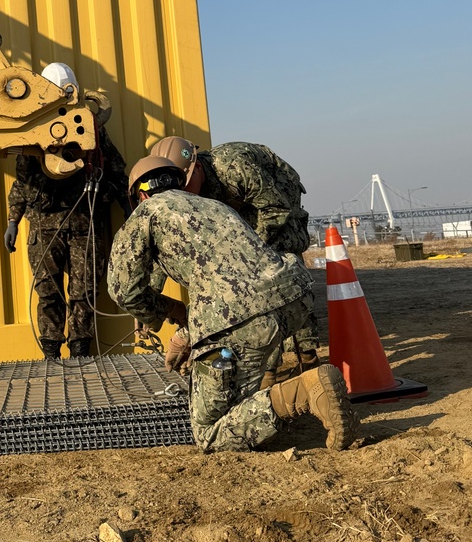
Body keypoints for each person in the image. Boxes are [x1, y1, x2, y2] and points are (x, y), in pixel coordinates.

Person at [107, 157, 360, 452]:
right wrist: (190, 334)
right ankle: (275, 392)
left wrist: (170, 311)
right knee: (232, 368)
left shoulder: (146, 213)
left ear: (140, 195)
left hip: (241, 322)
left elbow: (124, 291)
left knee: (210, 433)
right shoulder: (216, 207)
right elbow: (238, 282)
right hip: (293, 295)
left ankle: (305, 391)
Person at [150, 136, 318, 384]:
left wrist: (251, 256)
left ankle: (307, 355)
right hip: (242, 210)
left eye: (184, 186)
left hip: (278, 201)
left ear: (196, 168)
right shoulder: (186, 195)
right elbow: (169, 245)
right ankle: (269, 365)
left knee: (279, 276)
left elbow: (275, 209)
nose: (181, 195)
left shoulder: (233, 167)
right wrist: (149, 297)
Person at [4, 65, 129, 360]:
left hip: (85, 223)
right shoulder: (32, 131)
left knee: (84, 292)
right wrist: (13, 220)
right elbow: (21, 182)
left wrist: (126, 205)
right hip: (45, 225)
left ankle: (80, 350)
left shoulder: (91, 128)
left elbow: (116, 169)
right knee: (48, 291)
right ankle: (50, 351)